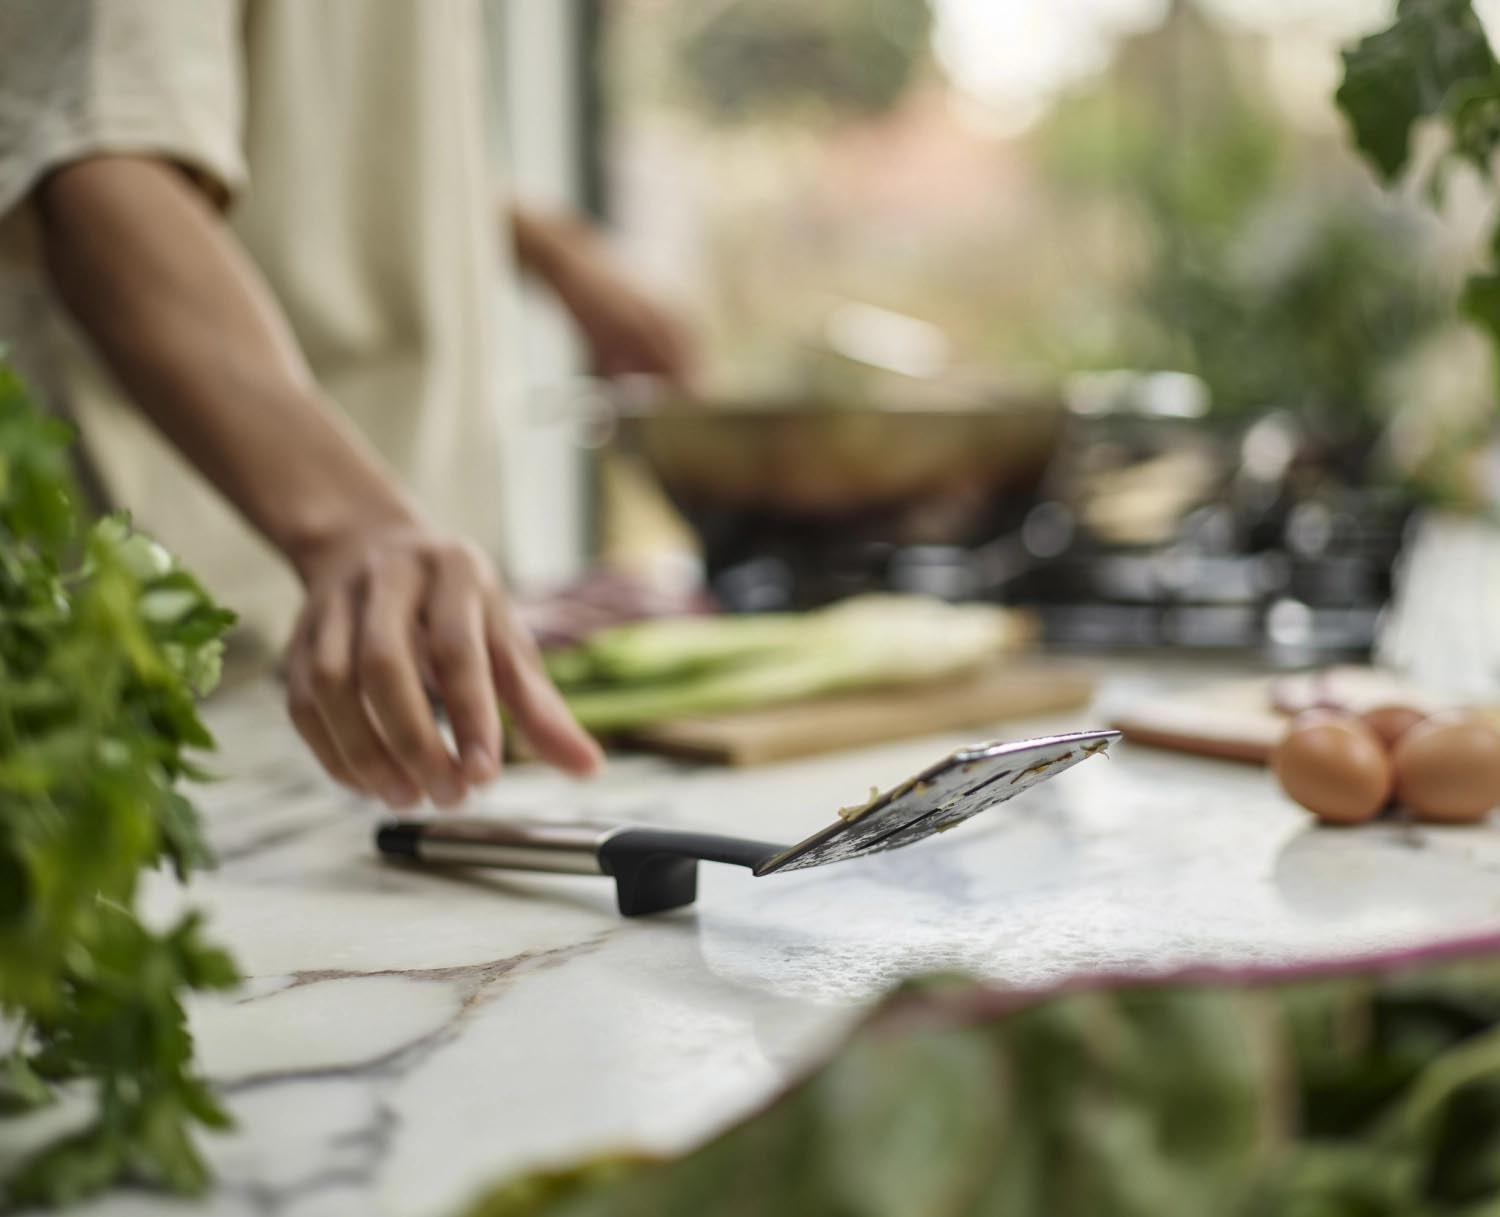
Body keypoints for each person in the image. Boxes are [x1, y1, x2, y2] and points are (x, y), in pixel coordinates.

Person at [0, 2, 697, 810]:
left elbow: (308, 134)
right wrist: (351, 525)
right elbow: (98, 169)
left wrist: (541, 241)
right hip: (203, 677)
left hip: (392, 664)